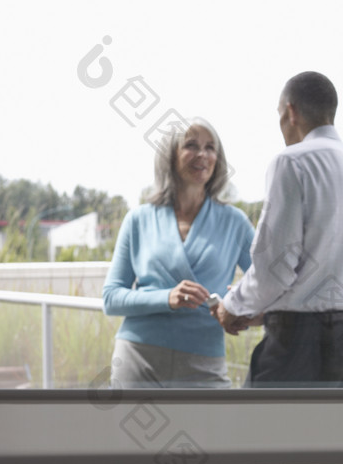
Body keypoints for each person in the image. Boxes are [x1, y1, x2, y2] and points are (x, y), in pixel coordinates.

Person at [215, 71, 343, 386]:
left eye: (280, 115)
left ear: (291, 111)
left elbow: (275, 268)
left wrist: (233, 305)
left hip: (296, 347)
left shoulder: (291, 162)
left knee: (259, 434)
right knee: (339, 436)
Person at [102, 118, 254, 387]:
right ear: (169, 156)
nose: (202, 155)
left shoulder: (236, 222)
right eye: (191, 146)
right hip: (137, 357)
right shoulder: (138, 219)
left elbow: (265, 282)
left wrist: (234, 306)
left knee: (217, 429)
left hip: (204, 359)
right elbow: (111, 298)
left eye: (210, 148)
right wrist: (167, 298)